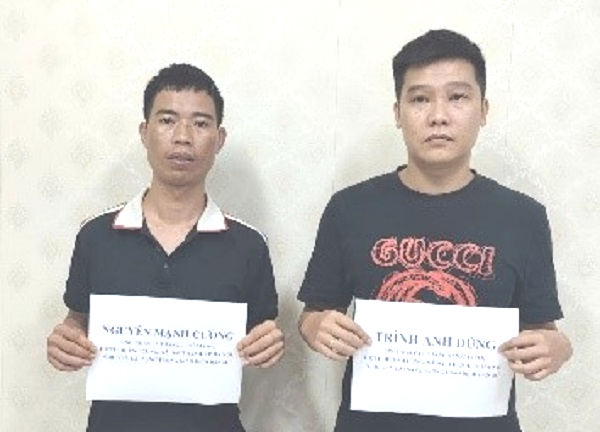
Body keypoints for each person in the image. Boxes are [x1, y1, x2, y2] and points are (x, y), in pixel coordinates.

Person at [297, 29, 572, 432]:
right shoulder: (349, 208)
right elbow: (314, 314)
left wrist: (557, 347)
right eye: (420, 99)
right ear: (398, 113)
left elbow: (542, 329)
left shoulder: (523, 217)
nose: (438, 115)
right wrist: (316, 327)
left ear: (483, 110)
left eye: (457, 97)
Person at [46, 63, 284, 432]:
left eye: (200, 123)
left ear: (220, 139)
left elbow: (262, 330)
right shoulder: (96, 236)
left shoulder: (248, 245)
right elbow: (77, 319)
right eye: (167, 120)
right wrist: (67, 339)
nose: (183, 137)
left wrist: (269, 342)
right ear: (145, 132)